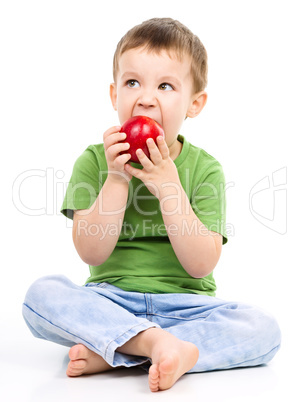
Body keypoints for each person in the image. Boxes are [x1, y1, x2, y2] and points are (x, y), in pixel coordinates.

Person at [22, 18, 281, 392]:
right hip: (110, 301)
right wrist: (116, 179)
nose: (145, 97)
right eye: (132, 83)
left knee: (264, 329)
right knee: (40, 295)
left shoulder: (205, 168)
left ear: (194, 104)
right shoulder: (95, 161)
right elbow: (91, 253)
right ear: (114, 95)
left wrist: (170, 186)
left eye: (165, 85)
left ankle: (118, 349)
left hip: (186, 308)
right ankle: (152, 345)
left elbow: (200, 265)